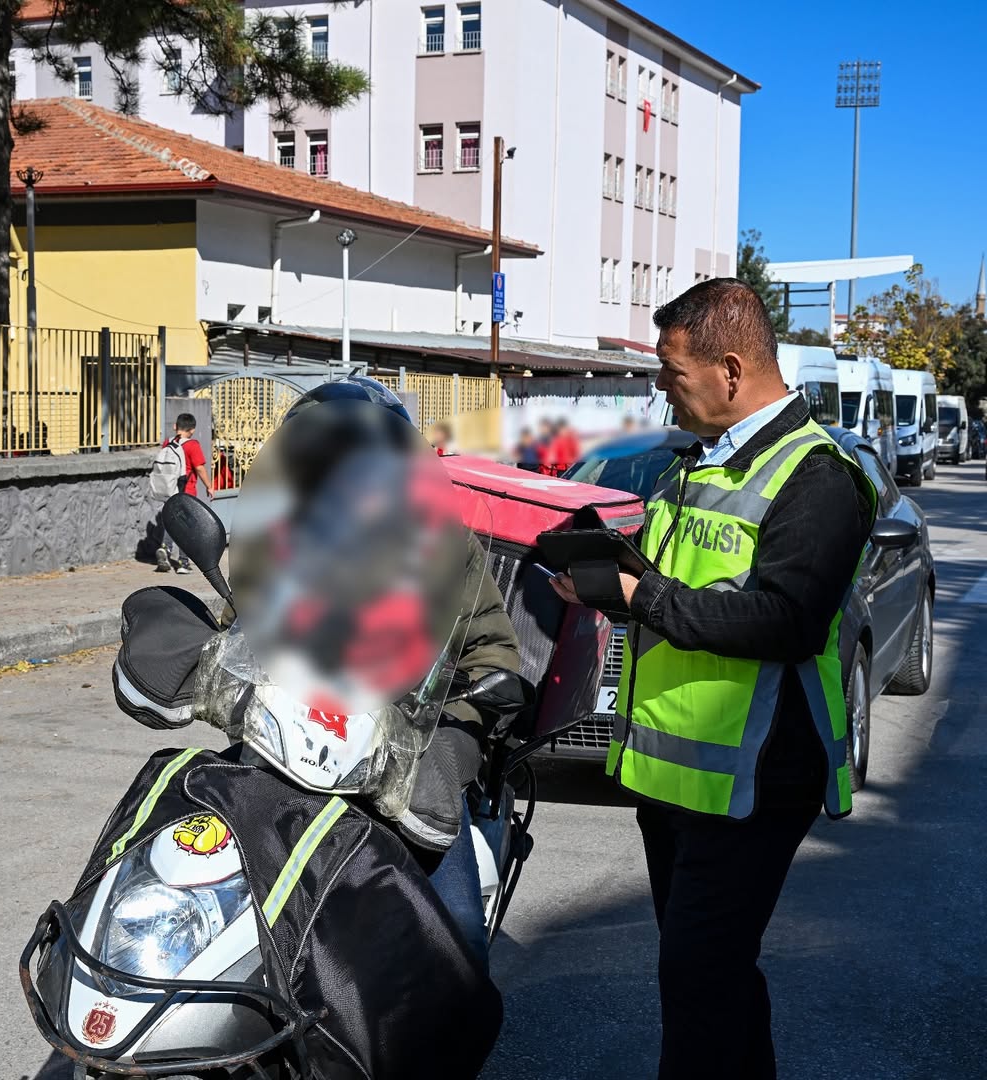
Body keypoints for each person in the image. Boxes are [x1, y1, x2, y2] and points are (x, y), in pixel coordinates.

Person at [550, 279, 876, 1080]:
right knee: (708, 978)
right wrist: (604, 580)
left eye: (673, 372)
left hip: (757, 780)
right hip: (676, 777)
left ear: (732, 369)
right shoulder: (694, 463)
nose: (663, 390)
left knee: (698, 977)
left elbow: (786, 622)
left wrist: (641, 595)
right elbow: (678, 585)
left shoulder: (820, 477)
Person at [268, 376, 520, 971]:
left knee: (455, 944)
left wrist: (449, 751)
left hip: (404, 771)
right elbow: (238, 634)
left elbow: (494, 657)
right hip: (283, 754)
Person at [157, 413, 213, 575]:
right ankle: (183, 562)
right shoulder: (192, 445)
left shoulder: (169, 442)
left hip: (170, 490)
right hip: (186, 492)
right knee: (187, 528)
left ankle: (165, 548)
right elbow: (200, 468)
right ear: (192, 429)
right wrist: (209, 486)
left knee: (172, 522)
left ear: (176, 426)